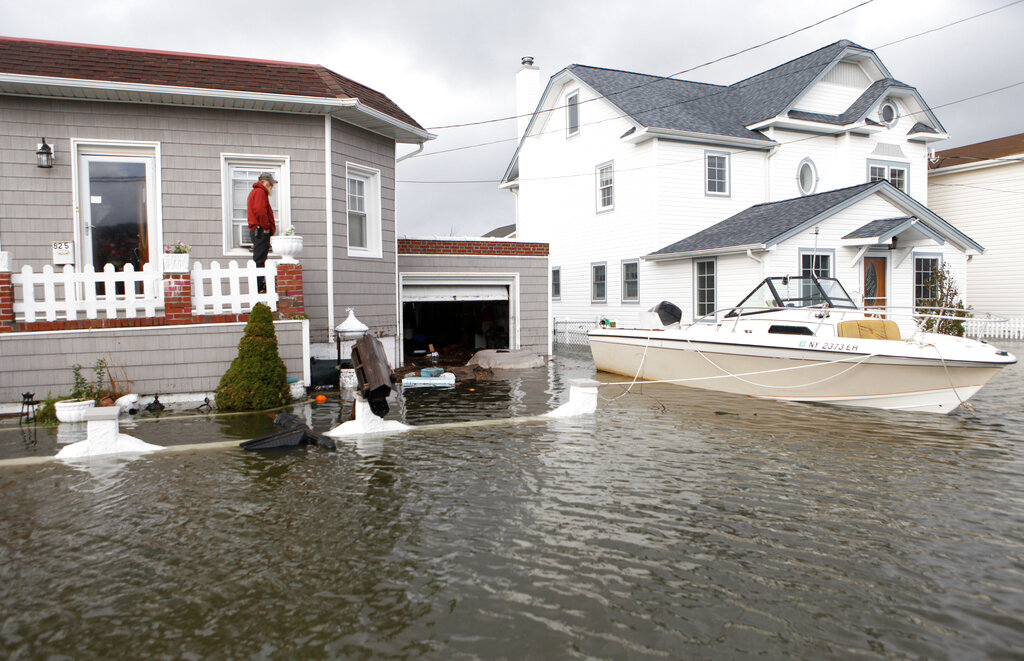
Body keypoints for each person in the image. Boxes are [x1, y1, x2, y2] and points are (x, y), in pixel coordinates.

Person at [247, 172, 277, 293]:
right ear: (264, 182)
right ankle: (258, 287)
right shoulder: (260, 192)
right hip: (260, 230)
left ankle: (259, 285)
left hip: (257, 230)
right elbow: (260, 210)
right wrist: (265, 226)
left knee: (260, 258)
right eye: (270, 184)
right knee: (260, 260)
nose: (271, 187)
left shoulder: (256, 192)